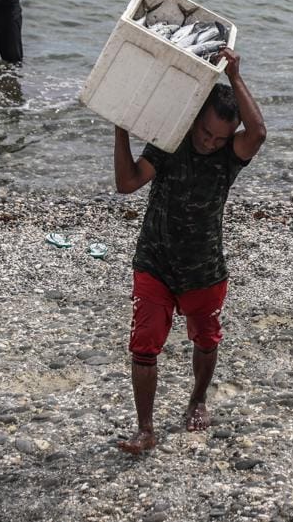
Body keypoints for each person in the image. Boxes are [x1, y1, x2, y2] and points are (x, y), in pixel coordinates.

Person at [112, 48, 267, 454]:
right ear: (196, 117)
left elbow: (259, 134)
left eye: (220, 137)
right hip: (156, 262)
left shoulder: (230, 158)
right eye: (205, 133)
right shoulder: (169, 143)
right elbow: (127, 183)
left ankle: (197, 399)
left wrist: (235, 75)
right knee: (143, 346)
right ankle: (145, 430)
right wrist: (121, 128)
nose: (210, 142)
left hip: (204, 268)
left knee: (206, 340)